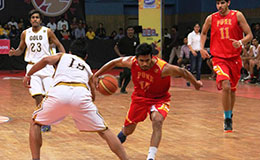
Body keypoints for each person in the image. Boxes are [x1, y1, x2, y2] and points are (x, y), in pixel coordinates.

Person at [93, 43, 203, 160]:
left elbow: (183, 72)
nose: (145, 63)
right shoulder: (131, 62)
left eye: (147, 60)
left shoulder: (162, 68)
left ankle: (151, 156)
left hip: (159, 99)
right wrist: (97, 74)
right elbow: (114, 62)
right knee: (128, 130)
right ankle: (121, 136)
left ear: (152, 57)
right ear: (136, 59)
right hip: (140, 99)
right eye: (142, 61)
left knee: (157, 120)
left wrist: (196, 83)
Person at [23, 39, 129, 160]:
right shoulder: (87, 68)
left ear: (70, 51)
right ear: (86, 56)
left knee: (35, 123)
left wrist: (28, 75)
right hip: (81, 93)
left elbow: (45, 60)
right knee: (104, 131)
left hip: (60, 91)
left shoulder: (63, 56)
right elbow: (92, 94)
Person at [8, 9, 66, 132]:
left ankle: (47, 116)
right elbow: (21, 49)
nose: (35, 19)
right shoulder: (25, 33)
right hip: (32, 67)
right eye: (33, 17)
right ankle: (44, 120)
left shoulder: (47, 31)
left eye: (37, 17)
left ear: (40, 20)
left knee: (48, 96)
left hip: (46, 67)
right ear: (30, 20)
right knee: (37, 95)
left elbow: (59, 44)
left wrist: (63, 56)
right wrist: (14, 52)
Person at [200, 0, 253, 132]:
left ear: (228, 2)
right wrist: (201, 48)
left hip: (234, 58)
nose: (220, 6)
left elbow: (249, 35)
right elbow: (204, 33)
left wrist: (240, 42)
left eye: (222, 3)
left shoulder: (237, 15)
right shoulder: (211, 18)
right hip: (218, 58)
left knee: (232, 90)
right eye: (217, 3)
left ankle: (229, 113)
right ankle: (227, 119)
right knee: (226, 86)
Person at [114, 26, 140, 94]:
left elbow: (138, 49)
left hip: (133, 59)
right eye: (129, 30)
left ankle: (123, 88)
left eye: (132, 30)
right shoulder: (123, 39)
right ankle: (121, 77)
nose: (130, 32)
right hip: (125, 59)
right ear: (127, 31)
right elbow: (116, 47)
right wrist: (120, 55)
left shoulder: (136, 39)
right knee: (127, 72)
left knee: (129, 74)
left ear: (133, 31)